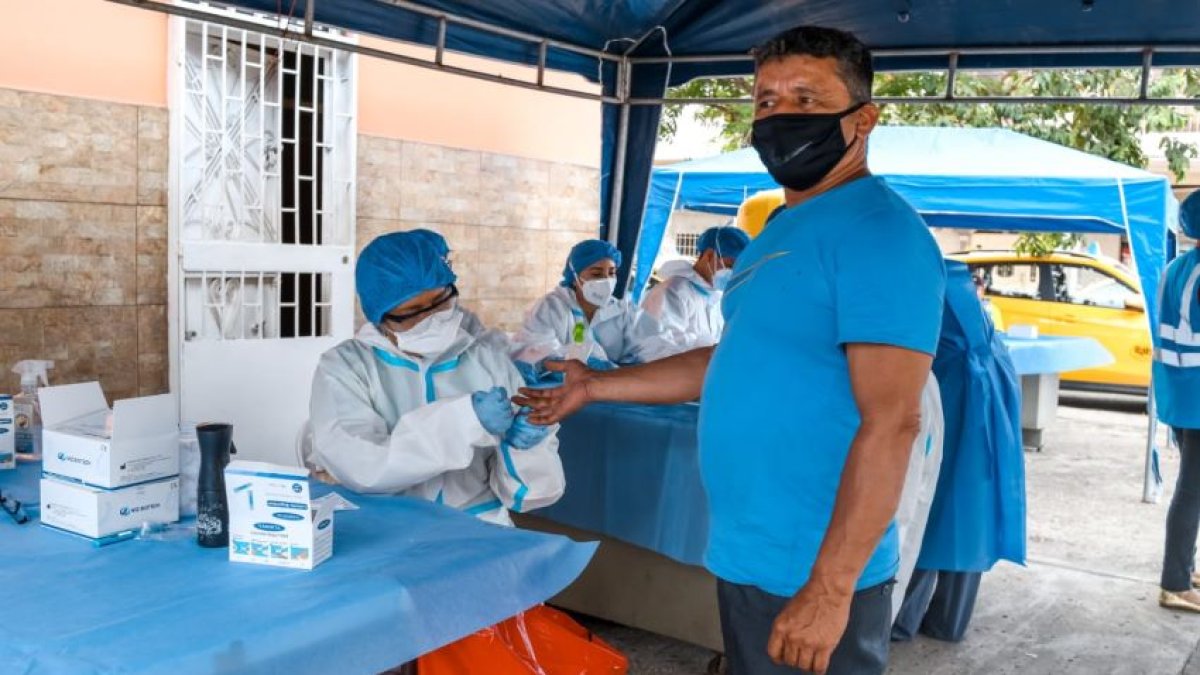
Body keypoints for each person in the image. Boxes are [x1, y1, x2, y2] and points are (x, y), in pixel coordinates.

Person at [516, 25, 946, 675]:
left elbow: (893, 421)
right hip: (750, 551)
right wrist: (596, 385)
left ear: (863, 120)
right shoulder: (781, 230)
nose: (779, 115)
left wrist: (829, 591)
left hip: (814, 568)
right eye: (766, 100)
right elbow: (729, 360)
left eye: (806, 98)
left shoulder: (880, 233)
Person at [305, 231, 564, 526]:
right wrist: (465, 420)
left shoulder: (488, 360)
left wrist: (523, 449)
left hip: (479, 527)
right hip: (386, 531)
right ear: (379, 316)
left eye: (441, 302)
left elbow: (530, 497)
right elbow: (364, 467)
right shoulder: (345, 367)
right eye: (412, 312)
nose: (430, 319)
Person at [892, 260, 1024, 643]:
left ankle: (900, 620)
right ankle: (948, 620)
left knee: (924, 518)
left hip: (950, 433)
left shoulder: (941, 349)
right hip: (983, 447)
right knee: (969, 523)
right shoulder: (986, 340)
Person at [1156, 191, 1200, 612]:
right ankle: (1174, 582)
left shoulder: (1176, 268)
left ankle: (1184, 567)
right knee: (1192, 490)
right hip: (1198, 394)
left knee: (1192, 487)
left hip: (1180, 391)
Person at [511, 239, 640, 378]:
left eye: (612, 273)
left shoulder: (623, 310)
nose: (607, 281)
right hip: (560, 388)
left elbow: (653, 347)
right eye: (596, 274)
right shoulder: (552, 307)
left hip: (613, 388)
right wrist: (583, 361)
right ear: (574, 277)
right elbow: (537, 351)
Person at [632, 225, 751, 362]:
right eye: (730, 265)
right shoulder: (674, 291)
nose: (734, 273)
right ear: (709, 255)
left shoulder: (714, 296)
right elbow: (658, 349)